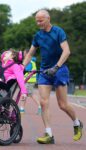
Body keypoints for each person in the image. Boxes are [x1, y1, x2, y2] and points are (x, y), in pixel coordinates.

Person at [23, 9, 83, 144]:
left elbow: (67, 51)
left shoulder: (58, 32)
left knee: (63, 105)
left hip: (59, 70)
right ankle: (49, 134)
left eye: (41, 20)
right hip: (45, 71)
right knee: (44, 102)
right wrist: (22, 66)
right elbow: (30, 54)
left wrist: (56, 67)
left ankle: (77, 123)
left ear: (48, 18)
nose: (38, 23)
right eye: (37, 21)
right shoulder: (38, 36)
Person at [20, 49, 41, 115]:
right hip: (29, 80)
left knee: (25, 94)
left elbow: (25, 70)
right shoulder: (32, 61)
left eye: (24, 53)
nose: (23, 54)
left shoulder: (30, 61)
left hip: (29, 80)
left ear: (27, 54)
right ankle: (22, 108)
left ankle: (22, 109)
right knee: (30, 94)